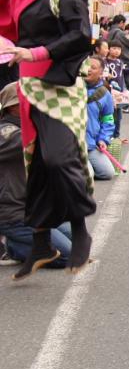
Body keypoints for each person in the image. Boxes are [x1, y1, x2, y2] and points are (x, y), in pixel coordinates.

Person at [0, 0, 96, 279]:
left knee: (59, 158)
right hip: (28, 88)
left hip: (59, 91)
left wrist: (38, 51)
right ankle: (41, 242)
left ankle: (81, 231)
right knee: (36, 164)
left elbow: (81, 36)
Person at [0, 82, 73, 267]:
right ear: (13, 106)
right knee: (67, 256)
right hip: (14, 213)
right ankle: (13, 247)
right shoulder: (6, 133)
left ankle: (17, 243)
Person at [84, 56, 116, 180]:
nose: (88, 70)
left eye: (93, 67)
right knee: (89, 175)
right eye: (86, 66)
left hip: (92, 144)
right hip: (73, 144)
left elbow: (108, 120)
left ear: (101, 73)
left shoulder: (105, 94)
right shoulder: (73, 88)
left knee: (108, 173)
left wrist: (103, 139)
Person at [104, 39, 127, 139]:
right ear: (108, 49)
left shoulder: (120, 62)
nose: (117, 51)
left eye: (119, 49)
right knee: (110, 115)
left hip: (119, 93)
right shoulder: (105, 62)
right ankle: (110, 136)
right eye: (114, 48)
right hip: (109, 92)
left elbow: (124, 74)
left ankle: (116, 136)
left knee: (119, 116)